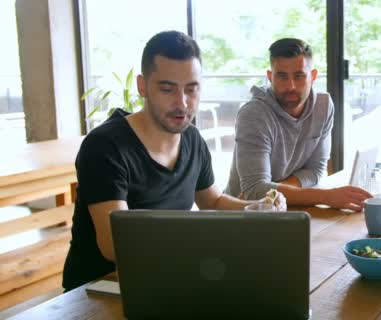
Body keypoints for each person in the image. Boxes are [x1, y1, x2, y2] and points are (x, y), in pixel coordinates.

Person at [62, 31, 285, 292]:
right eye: (167, 89)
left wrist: (256, 208)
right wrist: (199, 240)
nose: (182, 103)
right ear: (142, 86)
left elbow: (211, 201)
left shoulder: (191, 138)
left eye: (191, 89)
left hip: (166, 275)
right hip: (99, 290)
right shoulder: (105, 147)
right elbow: (113, 244)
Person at [225, 38, 372, 211]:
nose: (291, 86)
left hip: (287, 207)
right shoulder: (254, 114)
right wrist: (327, 196)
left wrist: (275, 191)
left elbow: (316, 170)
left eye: (299, 75)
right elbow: (254, 190)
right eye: (282, 76)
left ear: (313, 76)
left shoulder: (323, 106)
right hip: (243, 215)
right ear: (270, 77)